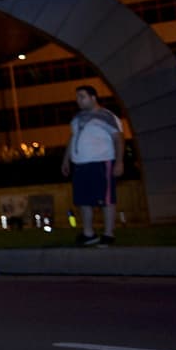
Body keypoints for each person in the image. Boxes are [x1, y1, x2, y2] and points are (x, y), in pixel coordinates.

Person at [61, 84, 125, 247]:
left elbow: (118, 139)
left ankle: (108, 234)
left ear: (93, 98)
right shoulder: (77, 118)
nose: (78, 100)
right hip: (80, 165)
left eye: (82, 97)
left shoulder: (106, 116)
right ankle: (88, 233)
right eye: (77, 97)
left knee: (106, 199)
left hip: (101, 163)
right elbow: (72, 138)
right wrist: (66, 159)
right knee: (83, 200)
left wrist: (119, 162)